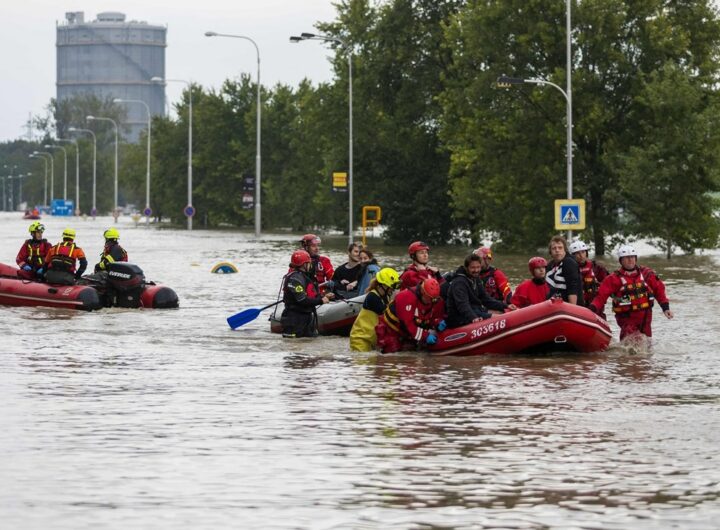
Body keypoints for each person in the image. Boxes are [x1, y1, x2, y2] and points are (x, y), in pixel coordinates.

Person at [590, 245, 673, 340]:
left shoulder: (646, 274)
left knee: (647, 346)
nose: (630, 260)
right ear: (621, 260)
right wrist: (592, 309)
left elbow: (659, 290)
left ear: (636, 259)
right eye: (627, 258)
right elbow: (601, 297)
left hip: (645, 317)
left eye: (632, 257)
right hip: (627, 318)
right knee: (630, 343)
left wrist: (665, 308)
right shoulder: (613, 279)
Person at [375, 277, 446, 353]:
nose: (432, 302)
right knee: (393, 354)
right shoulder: (406, 297)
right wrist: (425, 336)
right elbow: (408, 325)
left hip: (410, 332)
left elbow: (432, 317)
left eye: (434, 299)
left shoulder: (435, 300)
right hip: (392, 330)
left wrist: (438, 322)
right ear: (422, 292)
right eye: (430, 299)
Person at [446, 253, 516, 328]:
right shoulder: (459, 282)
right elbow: (463, 305)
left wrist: (506, 305)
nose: (476, 270)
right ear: (466, 268)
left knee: (503, 312)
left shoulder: (476, 278)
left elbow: (486, 299)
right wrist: (473, 318)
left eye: (478, 267)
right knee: (500, 318)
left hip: (476, 310)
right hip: (460, 318)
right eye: (472, 268)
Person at [280, 249, 335, 338]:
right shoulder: (295, 279)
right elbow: (302, 300)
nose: (311, 265)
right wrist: (321, 300)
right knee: (295, 346)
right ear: (304, 264)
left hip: (306, 318)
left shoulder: (304, 277)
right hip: (294, 320)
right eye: (309, 263)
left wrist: (323, 296)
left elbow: (310, 296)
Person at [350, 268, 401, 352]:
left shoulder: (386, 296)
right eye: (392, 286)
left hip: (371, 339)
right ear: (383, 285)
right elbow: (387, 315)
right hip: (361, 339)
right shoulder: (372, 297)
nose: (393, 289)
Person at [568, 240, 609, 314]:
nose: (581, 256)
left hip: (594, 304)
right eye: (577, 253)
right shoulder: (568, 269)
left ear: (586, 253)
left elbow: (609, 283)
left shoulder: (596, 267)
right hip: (578, 305)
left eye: (583, 252)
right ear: (572, 255)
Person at [545, 235, 582, 304]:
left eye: (560, 248)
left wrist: (572, 310)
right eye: (554, 248)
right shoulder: (550, 265)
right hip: (553, 304)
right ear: (550, 252)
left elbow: (572, 288)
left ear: (565, 249)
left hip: (568, 306)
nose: (557, 250)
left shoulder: (569, 263)